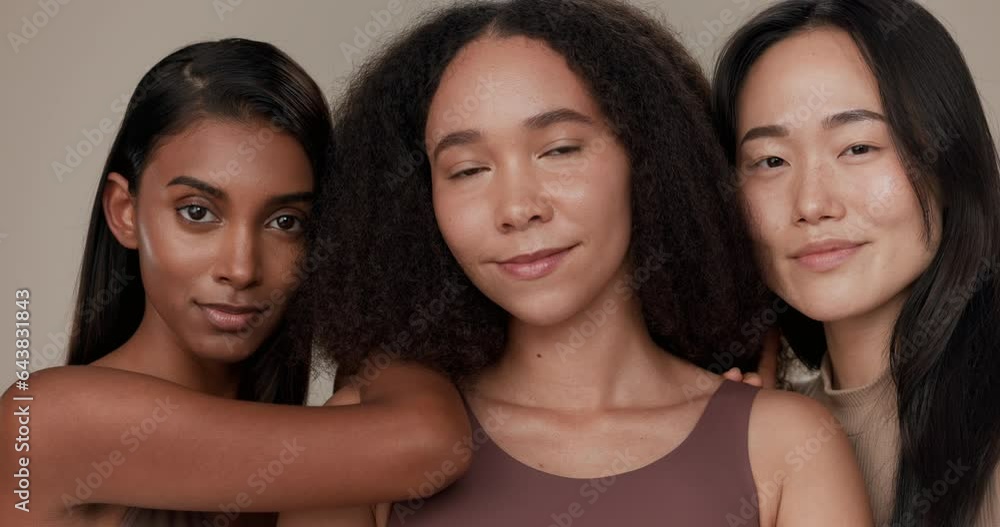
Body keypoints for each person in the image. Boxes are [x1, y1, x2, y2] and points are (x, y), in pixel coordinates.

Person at [280, 1, 873, 525]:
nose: (517, 208)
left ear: (646, 157)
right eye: (467, 169)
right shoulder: (362, 434)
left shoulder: (788, 446)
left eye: (560, 150)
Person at [1, 38, 470, 527]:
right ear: (125, 212)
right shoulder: (46, 422)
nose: (242, 269)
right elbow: (432, 441)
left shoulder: (321, 450)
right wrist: (375, 326)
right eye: (198, 212)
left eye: (286, 222)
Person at [714, 1, 1000, 524]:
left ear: (950, 161)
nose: (812, 204)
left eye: (858, 148)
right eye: (771, 161)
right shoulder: (754, 434)